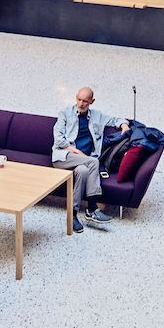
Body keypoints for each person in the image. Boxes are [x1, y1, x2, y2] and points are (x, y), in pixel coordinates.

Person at [51, 86, 123, 228]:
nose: (81, 103)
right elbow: (58, 139)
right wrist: (78, 153)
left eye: (85, 101)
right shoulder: (65, 113)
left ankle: (72, 216)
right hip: (63, 156)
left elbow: (115, 120)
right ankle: (92, 207)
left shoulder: (97, 115)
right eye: (79, 99)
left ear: (92, 101)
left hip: (83, 163)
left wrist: (124, 125)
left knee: (83, 171)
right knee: (93, 162)